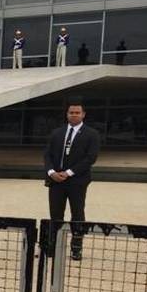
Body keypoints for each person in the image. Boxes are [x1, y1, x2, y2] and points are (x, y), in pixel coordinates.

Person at [45, 103, 99, 261]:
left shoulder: (92, 134)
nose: (74, 115)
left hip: (77, 180)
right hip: (56, 181)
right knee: (55, 214)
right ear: (67, 114)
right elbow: (47, 155)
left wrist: (68, 173)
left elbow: (90, 158)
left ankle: (76, 248)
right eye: (71, 112)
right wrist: (51, 172)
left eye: (77, 112)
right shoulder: (57, 133)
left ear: (83, 114)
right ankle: (53, 247)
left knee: (77, 214)